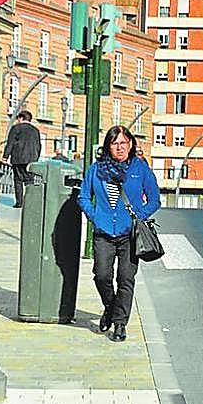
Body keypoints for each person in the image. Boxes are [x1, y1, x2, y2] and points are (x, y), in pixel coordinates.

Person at [77, 125, 161, 343]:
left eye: (123, 143)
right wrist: (96, 216)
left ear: (131, 144)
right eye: (115, 143)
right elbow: (84, 197)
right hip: (104, 232)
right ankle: (110, 307)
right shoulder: (96, 169)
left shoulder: (139, 168)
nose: (120, 147)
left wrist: (138, 216)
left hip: (129, 233)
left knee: (125, 277)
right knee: (102, 275)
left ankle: (120, 323)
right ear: (108, 147)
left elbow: (154, 199)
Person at [1, 110, 41, 208]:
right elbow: (39, 145)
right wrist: (36, 158)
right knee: (30, 181)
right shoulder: (36, 130)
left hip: (18, 158)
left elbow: (10, 143)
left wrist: (5, 157)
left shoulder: (16, 128)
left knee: (18, 180)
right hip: (32, 159)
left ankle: (19, 203)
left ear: (21, 118)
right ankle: (29, 202)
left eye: (18, 119)